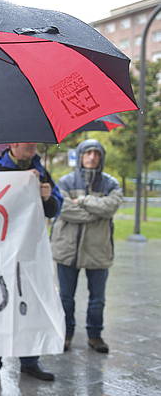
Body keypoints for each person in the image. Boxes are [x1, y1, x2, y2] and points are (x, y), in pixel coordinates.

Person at [0, 143, 63, 385]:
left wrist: (48, 198)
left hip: (30, 252)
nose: (33, 148)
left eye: (34, 144)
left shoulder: (41, 171)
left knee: (31, 305)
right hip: (2, 251)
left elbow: (55, 209)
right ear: (14, 145)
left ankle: (30, 361)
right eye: (28, 144)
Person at [50, 139, 122, 354]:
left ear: (101, 157)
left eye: (96, 153)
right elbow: (62, 209)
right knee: (65, 297)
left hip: (98, 250)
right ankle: (66, 333)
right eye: (88, 153)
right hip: (67, 250)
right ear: (80, 156)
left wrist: (82, 201)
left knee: (97, 299)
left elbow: (110, 207)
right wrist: (95, 212)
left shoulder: (111, 184)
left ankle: (95, 335)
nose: (92, 157)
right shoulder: (65, 182)